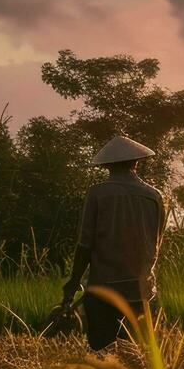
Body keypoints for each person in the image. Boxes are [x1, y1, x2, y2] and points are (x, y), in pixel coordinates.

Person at [62, 135, 166, 350]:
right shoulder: (154, 196)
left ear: (107, 166)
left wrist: (74, 281)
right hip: (139, 291)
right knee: (134, 353)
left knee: (102, 351)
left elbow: (85, 244)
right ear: (136, 163)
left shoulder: (98, 194)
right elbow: (157, 243)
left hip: (103, 289)